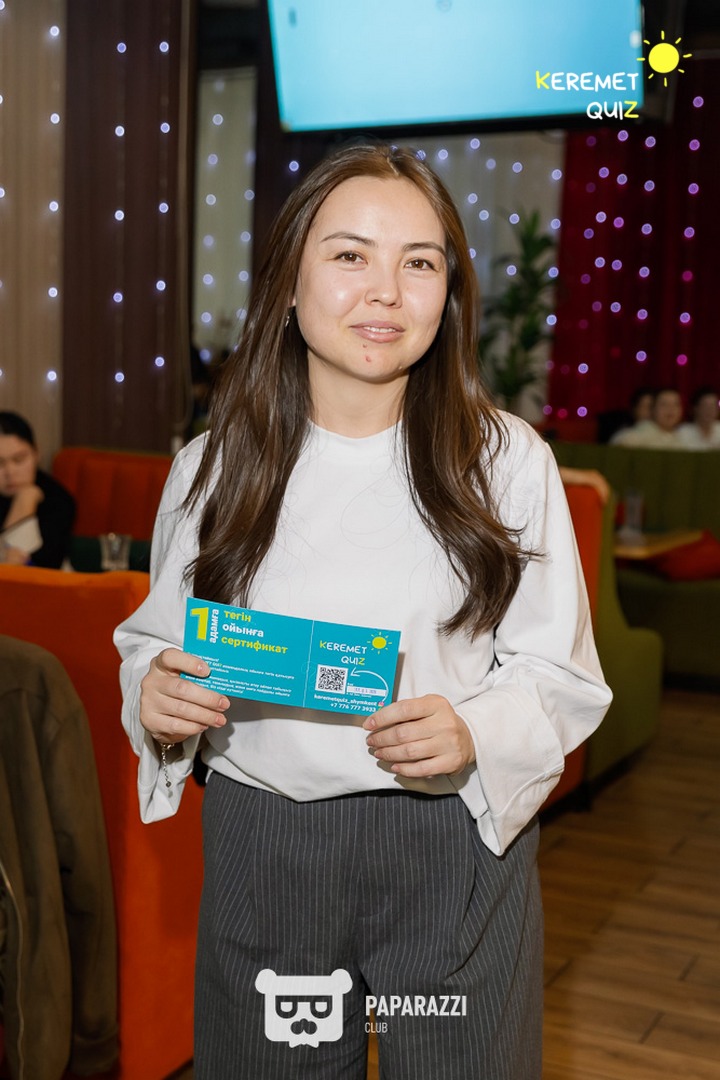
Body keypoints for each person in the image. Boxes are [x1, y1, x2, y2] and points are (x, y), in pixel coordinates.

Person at [114, 144, 611, 1080]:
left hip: (451, 845)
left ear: (447, 293)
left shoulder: (505, 461)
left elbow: (559, 673)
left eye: (419, 262)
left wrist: (472, 730)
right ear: (289, 283)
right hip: (266, 844)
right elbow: (153, 644)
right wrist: (156, 693)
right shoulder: (212, 465)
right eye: (350, 255)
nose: (386, 291)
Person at [0, 411, 75, 568]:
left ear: (36, 454)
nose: (10, 472)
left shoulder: (58, 499)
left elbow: (39, 568)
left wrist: (25, 499)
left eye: (19, 460)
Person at [610, 387, 684, 448]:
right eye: (664, 404)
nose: (671, 409)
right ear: (653, 409)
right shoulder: (636, 434)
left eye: (676, 404)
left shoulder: (684, 436)